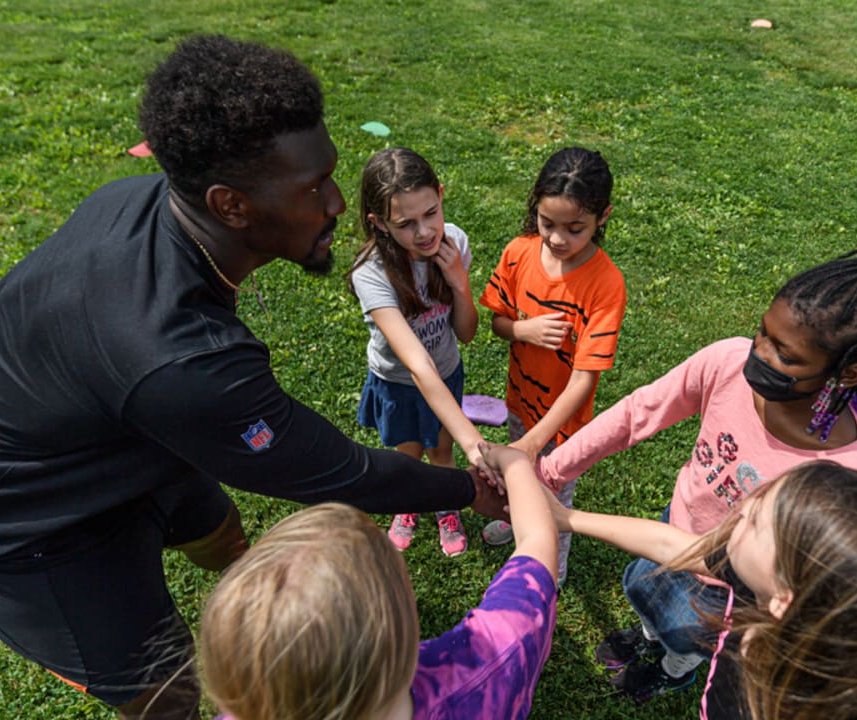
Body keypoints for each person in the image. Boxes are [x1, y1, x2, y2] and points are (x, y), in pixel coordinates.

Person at [0, 36, 503, 720]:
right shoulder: (185, 362)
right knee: (166, 691)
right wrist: (471, 488)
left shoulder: (143, 204)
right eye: (312, 188)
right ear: (231, 205)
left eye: (330, 176)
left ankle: (273, 638)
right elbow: (340, 473)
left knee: (222, 533)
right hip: (4, 519)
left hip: (118, 431)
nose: (336, 205)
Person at [536, 247, 857, 699]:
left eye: (785, 356)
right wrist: (551, 472)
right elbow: (638, 414)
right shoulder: (728, 361)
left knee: (685, 635)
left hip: (727, 589)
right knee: (648, 598)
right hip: (673, 526)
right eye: (762, 334)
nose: (759, 355)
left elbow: (762, 577)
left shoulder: (840, 480)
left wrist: (565, 514)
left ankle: (675, 669)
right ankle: (650, 637)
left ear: (848, 374)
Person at [547, 460, 857, 720]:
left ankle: (670, 675)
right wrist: (568, 518)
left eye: (757, 519)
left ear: (785, 599)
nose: (740, 507)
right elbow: (676, 547)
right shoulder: (776, 585)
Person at [199, 441, 558, 720]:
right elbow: (536, 543)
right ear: (402, 624)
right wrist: (515, 465)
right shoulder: (483, 667)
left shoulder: (250, 707)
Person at [477, 147, 628, 586]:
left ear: (603, 217)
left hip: (563, 427)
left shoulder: (606, 285)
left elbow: (584, 378)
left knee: (552, 498)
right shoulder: (518, 253)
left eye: (574, 228)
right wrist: (523, 332)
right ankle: (513, 520)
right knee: (515, 479)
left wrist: (535, 441)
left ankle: (548, 576)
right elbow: (499, 321)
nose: (558, 238)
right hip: (519, 402)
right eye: (548, 224)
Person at [349, 148, 485, 557]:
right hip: (398, 384)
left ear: (441, 196)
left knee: (442, 452)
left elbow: (467, 333)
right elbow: (417, 365)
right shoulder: (370, 272)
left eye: (432, 212)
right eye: (406, 224)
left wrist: (459, 283)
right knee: (407, 455)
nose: (425, 232)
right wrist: (475, 443)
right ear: (380, 224)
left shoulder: (454, 242)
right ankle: (407, 506)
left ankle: (446, 507)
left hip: (446, 372)